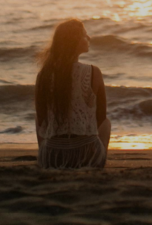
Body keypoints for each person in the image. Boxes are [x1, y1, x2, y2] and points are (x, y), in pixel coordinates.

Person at [35, 18, 110, 169]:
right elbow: (101, 118)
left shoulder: (44, 74)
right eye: (84, 35)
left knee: (37, 120)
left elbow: (42, 119)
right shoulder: (93, 72)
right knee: (107, 123)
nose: (89, 38)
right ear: (74, 41)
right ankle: (99, 166)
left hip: (52, 157)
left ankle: (44, 158)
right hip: (87, 155)